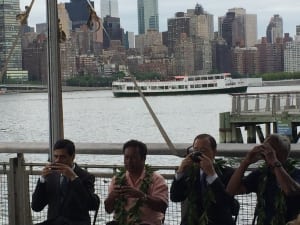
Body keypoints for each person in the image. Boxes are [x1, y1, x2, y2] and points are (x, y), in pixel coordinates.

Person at [226, 133, 300, 225]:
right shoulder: (261, 174)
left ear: (283, 153)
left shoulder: (296, 173)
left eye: (270, 150)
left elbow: (289, 190)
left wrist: (275, 162)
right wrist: (246, 162)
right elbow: (231, 190)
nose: (266, 153)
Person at [170, 133, 238, 225]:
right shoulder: (189, 172)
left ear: (214, 152)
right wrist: (180, 172)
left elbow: (225, 203)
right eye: (196, 150)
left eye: (204, 151)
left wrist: (212, 175)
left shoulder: (228, 173)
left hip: (219, 221)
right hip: (193, 221)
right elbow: (175, 197)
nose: (199, 154)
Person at [31, 139, 100, 225]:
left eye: (62, 157)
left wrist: (73, 178)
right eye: (56, 156)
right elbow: (36, 207)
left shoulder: (85, 177)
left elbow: (90, 204)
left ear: (72, 156)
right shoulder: (51, 176)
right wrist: (42, 180)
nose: (58, 160)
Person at [104, 139, 168, 225]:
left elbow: (162, 207)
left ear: (143, 159)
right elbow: (108, 210)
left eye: (133, 158)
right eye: (126, 158)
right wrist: (112, 197)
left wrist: (142, 196)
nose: (129, 162)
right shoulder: (117, 179)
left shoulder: (156, 179)